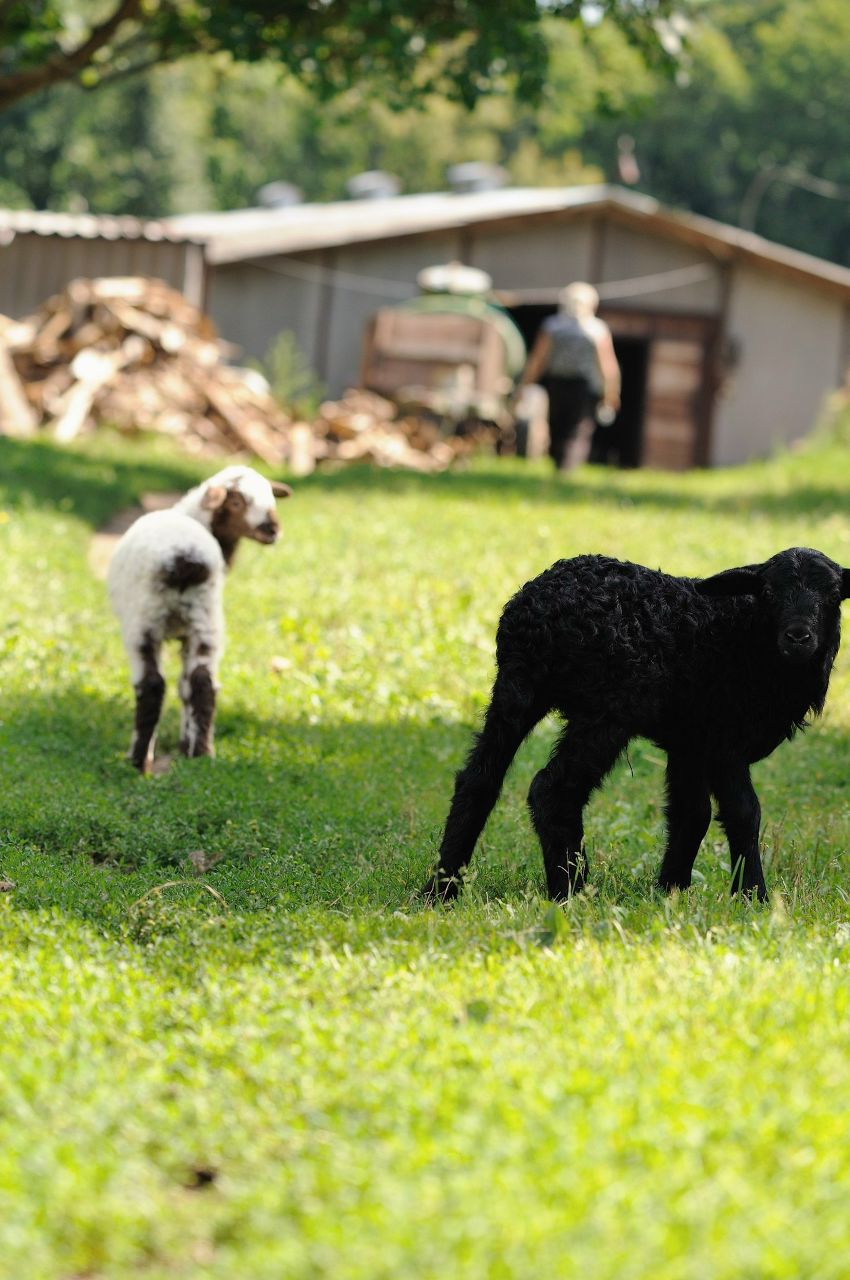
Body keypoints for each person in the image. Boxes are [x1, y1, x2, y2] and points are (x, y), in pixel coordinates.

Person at [516, 282, 621, 471]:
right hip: (584, 387)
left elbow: (539, 358)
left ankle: (560, 465)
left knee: (557, 425)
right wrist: (610, 393)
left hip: (558, 383)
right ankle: (567, 469)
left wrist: (525, 384)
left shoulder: (553, 326)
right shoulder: (597, 329)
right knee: (578, 430)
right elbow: (607, 366)